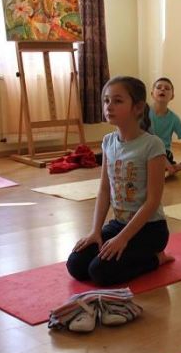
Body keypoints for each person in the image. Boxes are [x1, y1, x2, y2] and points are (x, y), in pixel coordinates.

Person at [67, 77, 174, 286]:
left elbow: (153, 201)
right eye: (106, 100)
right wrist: (95, 231)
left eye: (117, 101)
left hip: (150, 230)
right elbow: (104, 190)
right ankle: (120, 247)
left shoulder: (152, 145)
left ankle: (156, 258)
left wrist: (123, 239)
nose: (109, 106)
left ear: (138, 107)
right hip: (119, 224)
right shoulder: (108, 141)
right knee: (76, 265)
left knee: (100, 272)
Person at [149, 77, 181, 175]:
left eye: (167, 88)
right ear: (152, 94)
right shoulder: (143, 112)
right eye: (159, 87)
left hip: (164, 154)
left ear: (172, 96)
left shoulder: (174, 119)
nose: (162, 89)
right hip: (146, 150)